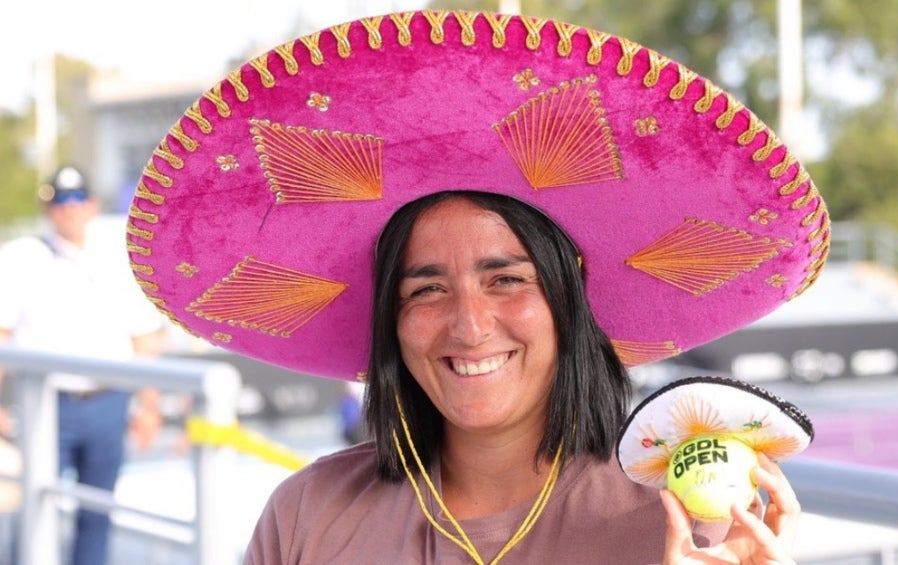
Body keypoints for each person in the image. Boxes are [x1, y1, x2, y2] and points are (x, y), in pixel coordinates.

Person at [121, 10, 830, 564]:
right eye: (425, 289)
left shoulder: (679, 521)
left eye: (506, 278)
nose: (468, 323)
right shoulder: (306, 514)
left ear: (568, 293)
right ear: (391, 317)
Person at [0, 165, 166, 565]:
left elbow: (142, 339)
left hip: (107, 402)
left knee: (98, 512)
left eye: (76, 200)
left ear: (91, 205)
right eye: (59, 201)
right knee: (34, 513)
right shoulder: (23, 258)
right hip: (47, 405)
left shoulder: (117, 260)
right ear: (49, 210)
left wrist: (150, 406)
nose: (68, 209)